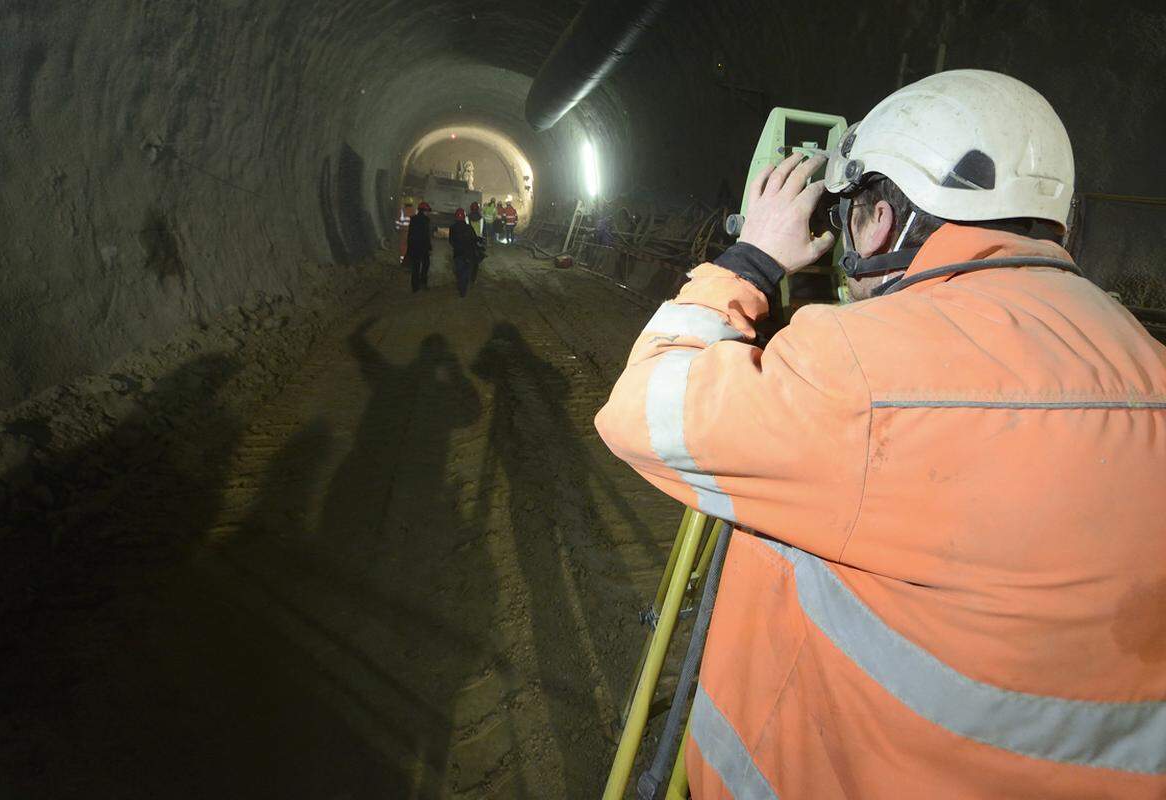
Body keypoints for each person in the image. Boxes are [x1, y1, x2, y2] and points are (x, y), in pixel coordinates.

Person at [596, 69, 1166, 799]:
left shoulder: (860, 375)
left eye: (851, 210)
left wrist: (754, 261)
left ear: (878, 220)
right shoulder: (1144, 364)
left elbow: (638, 405)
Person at [448, 208, 479, 298]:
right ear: (464, 217)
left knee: (459, 271)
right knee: (466, 271)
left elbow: (451, 241)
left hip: (458, 253)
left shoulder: (452, 228)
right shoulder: (469, 228)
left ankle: (461, 288)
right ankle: (463, 290)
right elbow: (474, 239)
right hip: (468, 254)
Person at [407, 201, 433, 292]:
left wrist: (409, 247)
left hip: (414, 246)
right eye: (427, 211)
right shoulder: (426, 221)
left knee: (415, 267)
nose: (428, 213)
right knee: (425, 265)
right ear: (424, 211)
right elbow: (426, 235)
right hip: (423, 247)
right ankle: (423, 283)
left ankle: (415, 287)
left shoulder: (413, 219)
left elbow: (410, 234)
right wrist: (429, 247)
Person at [395, 195, 416, 264]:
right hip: (413, 232)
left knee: (403, 246)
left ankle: (402, 261)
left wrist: (397, 229)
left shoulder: (402, 210)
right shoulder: (415, 211)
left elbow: (398, 222)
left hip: (404, 231)